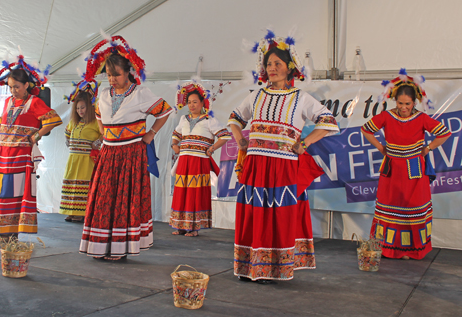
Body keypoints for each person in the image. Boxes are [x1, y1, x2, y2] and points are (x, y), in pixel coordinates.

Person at [228, 30, 339, 282]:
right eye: (269, 64)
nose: (272, 68)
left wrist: (306, 142)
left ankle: (275, 268)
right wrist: (239, 139)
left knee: (278, 215)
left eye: (278, 63)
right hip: (256, 165)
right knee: (255, 213)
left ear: (290, 68)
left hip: (283, 166)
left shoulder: (301, 98)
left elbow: (328, 122)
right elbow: (235, 118)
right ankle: (251, 267)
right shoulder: (255, 95)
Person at [79, 36, 172, 260]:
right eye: (109, 75)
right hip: (109, 153)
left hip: (131, 153)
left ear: (128, 72)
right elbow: (100, 115)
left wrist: (150, 133)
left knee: (124, 199)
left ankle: (120, 249)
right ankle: (100, 245)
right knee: (103, 198)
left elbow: (165, 111)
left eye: (116, 74)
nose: (112, 79)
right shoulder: (103, 95)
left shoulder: (141, 94)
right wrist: (104, 133)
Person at [362, 69, 451, 260]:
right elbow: (366, 130)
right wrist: (380, 147)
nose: (403, 107)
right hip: (392, 169)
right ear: (395, 101)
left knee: (414, 206)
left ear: (414, 102)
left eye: (407, 104)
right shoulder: (387, 116)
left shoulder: (421, 118)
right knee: (389, 205)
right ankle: (388, 248)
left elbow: (444, 133)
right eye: (400, 103)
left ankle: (412, 250)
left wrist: (428, 148)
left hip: (414, 170)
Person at [0, 57, 62, 241]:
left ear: (26, 85)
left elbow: (54, 119)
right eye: (10, 86)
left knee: (15, 193)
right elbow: (2, 120)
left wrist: (36, 136)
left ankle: (11, 230)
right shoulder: (8, 101)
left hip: (21, 154)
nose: (13, 90)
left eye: (16, 86)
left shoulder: (34, 102)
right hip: (4, 153)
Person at [170, 82, 231, 237]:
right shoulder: (184, 119)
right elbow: (176, 135)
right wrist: (175, 146)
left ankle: (194, 227)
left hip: (199, 161)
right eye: (189, 102)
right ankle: (180, 225)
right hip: (184, 161)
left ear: (203, 103)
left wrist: (211, 149)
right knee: (181, 191)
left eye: (195, 102)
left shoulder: (209, 120)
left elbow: (224, 136)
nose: (191, 105)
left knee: (194, 193)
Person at [59, 90, 102, 223]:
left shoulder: (96, 122)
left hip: (87, 160)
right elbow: (67, 131)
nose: (80, 110)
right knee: (71, 183)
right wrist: (68, 140)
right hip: (73, 159)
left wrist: (98, 141)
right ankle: (70, 211)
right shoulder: (75, 122)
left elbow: (105, 133)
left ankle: (82, 212)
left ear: (90, 107)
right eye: (77, 108)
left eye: (82, 107)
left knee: (83, 183)